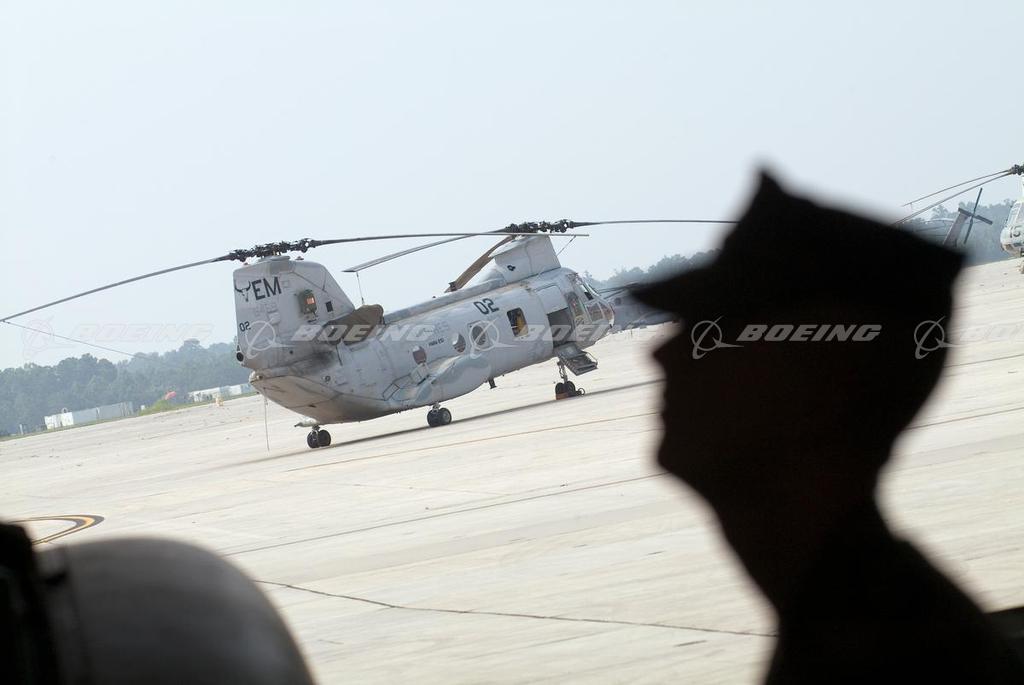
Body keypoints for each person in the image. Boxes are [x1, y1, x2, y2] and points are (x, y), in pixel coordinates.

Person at [633, 174, 1024, 683]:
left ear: (823, 386)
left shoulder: (884, 653)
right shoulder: (851, 615)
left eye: (717, 329)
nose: (662, 352)